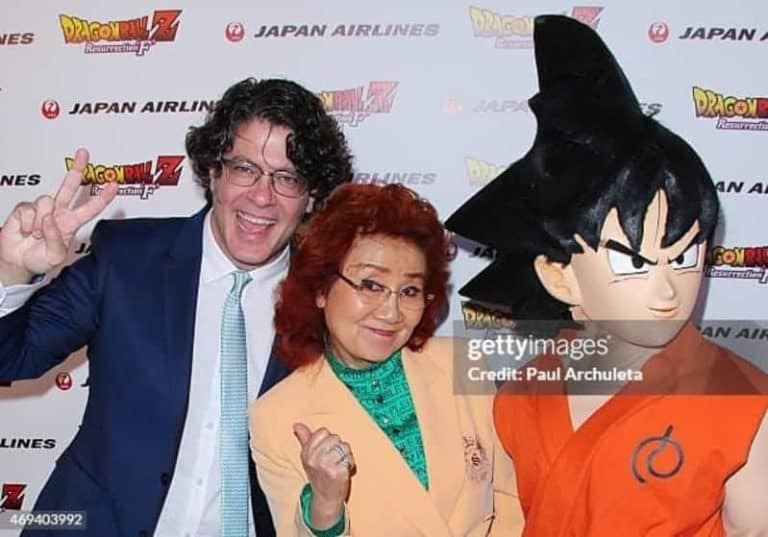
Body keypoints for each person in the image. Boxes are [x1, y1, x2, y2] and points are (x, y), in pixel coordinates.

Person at [446, 15, 767, 536]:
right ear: (559, 277)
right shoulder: (523, 392)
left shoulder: (747, 407)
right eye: (635, 262)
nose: (669, 289)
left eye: (686, 257)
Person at [0, 78, 353, 537]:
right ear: (213, 172)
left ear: (311, 195)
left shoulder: (331, 297)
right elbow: (12, 356)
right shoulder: (125, 259)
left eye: (286, 178)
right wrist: (10, 274)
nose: (262, 196)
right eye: (244, 168)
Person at [249, 183, 523, 536]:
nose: (391, 311)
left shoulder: (462, 362)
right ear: (320, 288)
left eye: (409, 291)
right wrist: (325, 507)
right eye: (371, 285)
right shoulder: (275, 417)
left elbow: (511, 502)